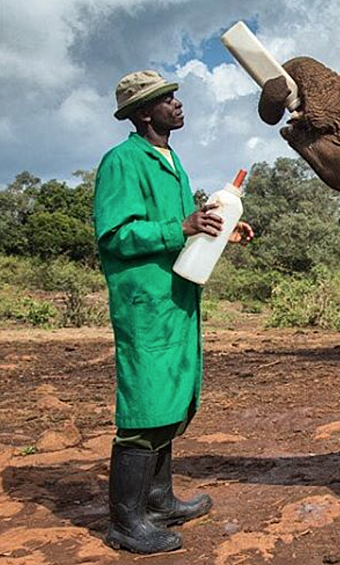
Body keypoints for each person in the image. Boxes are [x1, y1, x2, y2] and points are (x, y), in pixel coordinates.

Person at [93, 70, 254, 554]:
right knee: (145, 406)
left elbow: (186, 231)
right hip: (145, 302)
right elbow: (115, 235)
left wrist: (219, 230)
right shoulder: (123, 161)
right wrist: (180, 226)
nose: (177, 104)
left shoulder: (171, 159)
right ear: (144, 112)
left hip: (177, 297)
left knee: (172, 398)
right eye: (167, 100)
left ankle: (159, 500)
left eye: (175, 97)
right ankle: (126, 522)